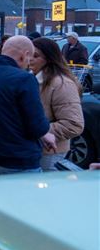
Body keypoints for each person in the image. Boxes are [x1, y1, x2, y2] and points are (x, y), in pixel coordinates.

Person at [0, 35, 57, 176]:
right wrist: (46, 133)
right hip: (19, 160)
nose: (28, 64)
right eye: (29, 59)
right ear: (24, 55)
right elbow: (37, 126)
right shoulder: (24, 79)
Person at [30, 37, 84, 171]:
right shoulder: (31, 78)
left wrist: (38, 131)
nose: (30, 59)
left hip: (51, 153)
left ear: (49, 58)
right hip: (34, 149)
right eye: (28, 54)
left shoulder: (61, 84)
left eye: (35, 55)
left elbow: (74, 124)